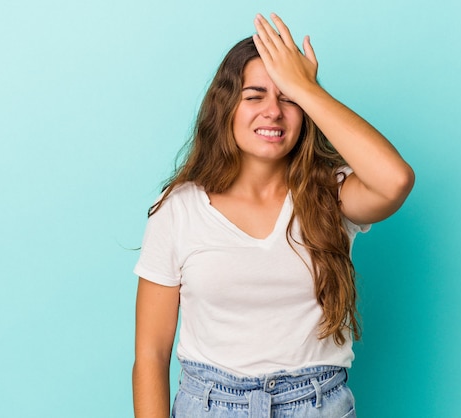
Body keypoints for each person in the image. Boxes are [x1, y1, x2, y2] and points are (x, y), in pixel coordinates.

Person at [132, 13, 414, 418]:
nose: (273, 111)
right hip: (210, 405)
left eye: (287, 98)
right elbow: (150, 355)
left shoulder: (331, 195)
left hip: (317, 405)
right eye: (254, 96)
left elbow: (396, 180)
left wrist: (306, 87)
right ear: (226, 107)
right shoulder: (179, 208)